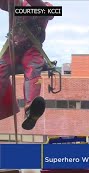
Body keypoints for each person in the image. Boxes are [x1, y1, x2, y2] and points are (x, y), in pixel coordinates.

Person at [0, 0, 54, 130]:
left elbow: (51, 13)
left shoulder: (46, 6)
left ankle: (31, 109)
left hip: (32, 49)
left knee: (33, 70)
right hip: (13, 47)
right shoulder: (16, 3)